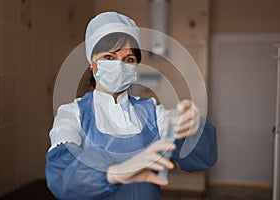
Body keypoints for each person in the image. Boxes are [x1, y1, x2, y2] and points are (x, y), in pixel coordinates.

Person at [45, 11, 217, 200]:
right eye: (109, 57)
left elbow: (202, 157)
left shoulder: (152, 112)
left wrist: (191, 127)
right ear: (91, 63)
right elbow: (61, 175)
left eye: (129, 60)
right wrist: (113, 173)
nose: (119, 66)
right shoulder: (72, 114)